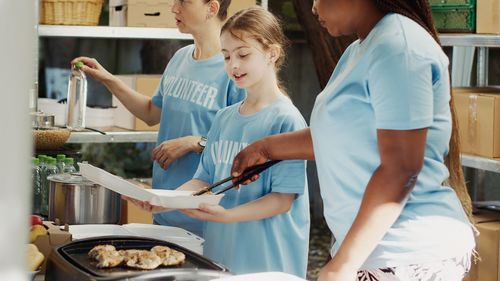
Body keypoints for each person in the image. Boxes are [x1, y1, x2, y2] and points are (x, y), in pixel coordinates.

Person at [230, 1, 476, 281]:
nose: (313, 8)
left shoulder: (398, 47)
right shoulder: (359, 50)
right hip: (375, 252)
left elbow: (401, 168)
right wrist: (265, 148)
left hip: (407, 253)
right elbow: (338, 136)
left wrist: (344, 263)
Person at [131, 7, 310, 277]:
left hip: (267, 263)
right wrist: (165, 200)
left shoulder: (286, 120)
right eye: (226, 56)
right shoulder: (225, 118)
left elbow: (282, 200)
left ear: (272, 54)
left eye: (243, 54)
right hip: (220, 259)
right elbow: (203, 181)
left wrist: (226, 215)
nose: (233, 65)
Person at [72, 0, 245, 237]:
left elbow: (244, 144)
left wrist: (195, 142)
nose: (174, 8)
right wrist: (107, 79)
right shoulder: (180, 58)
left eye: (184, 2)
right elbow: (151, 113)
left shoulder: (234, 70)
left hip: (204, 219)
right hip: (164, 210)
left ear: (211, 8)